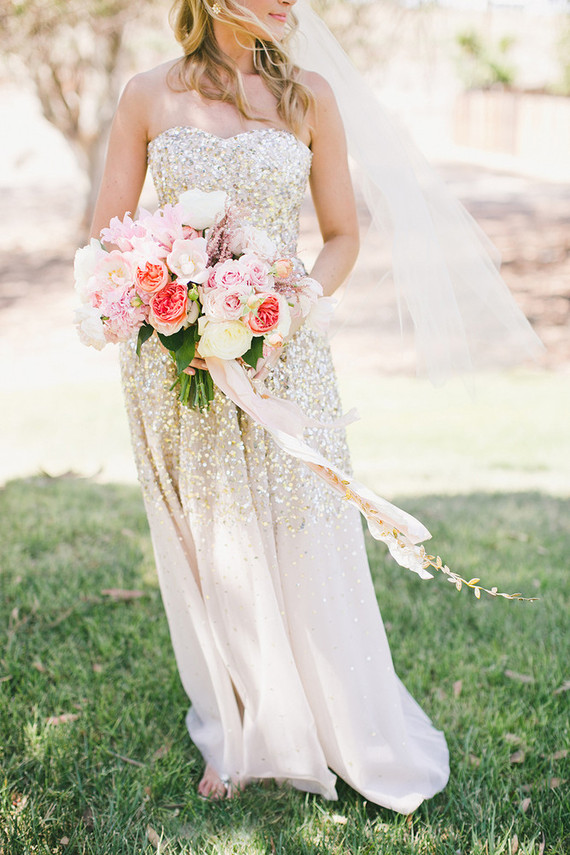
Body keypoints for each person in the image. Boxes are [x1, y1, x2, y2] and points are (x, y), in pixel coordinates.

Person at [90, 0, 450, 808]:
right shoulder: (146, 94)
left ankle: (329, 716)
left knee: (300, 531)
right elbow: (108, 238)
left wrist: (289, 308)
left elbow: (342, 234)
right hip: (177, 364)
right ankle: (236, 725)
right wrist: (166, 303)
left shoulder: (311, 95)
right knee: (212, 540)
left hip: (286, 351)